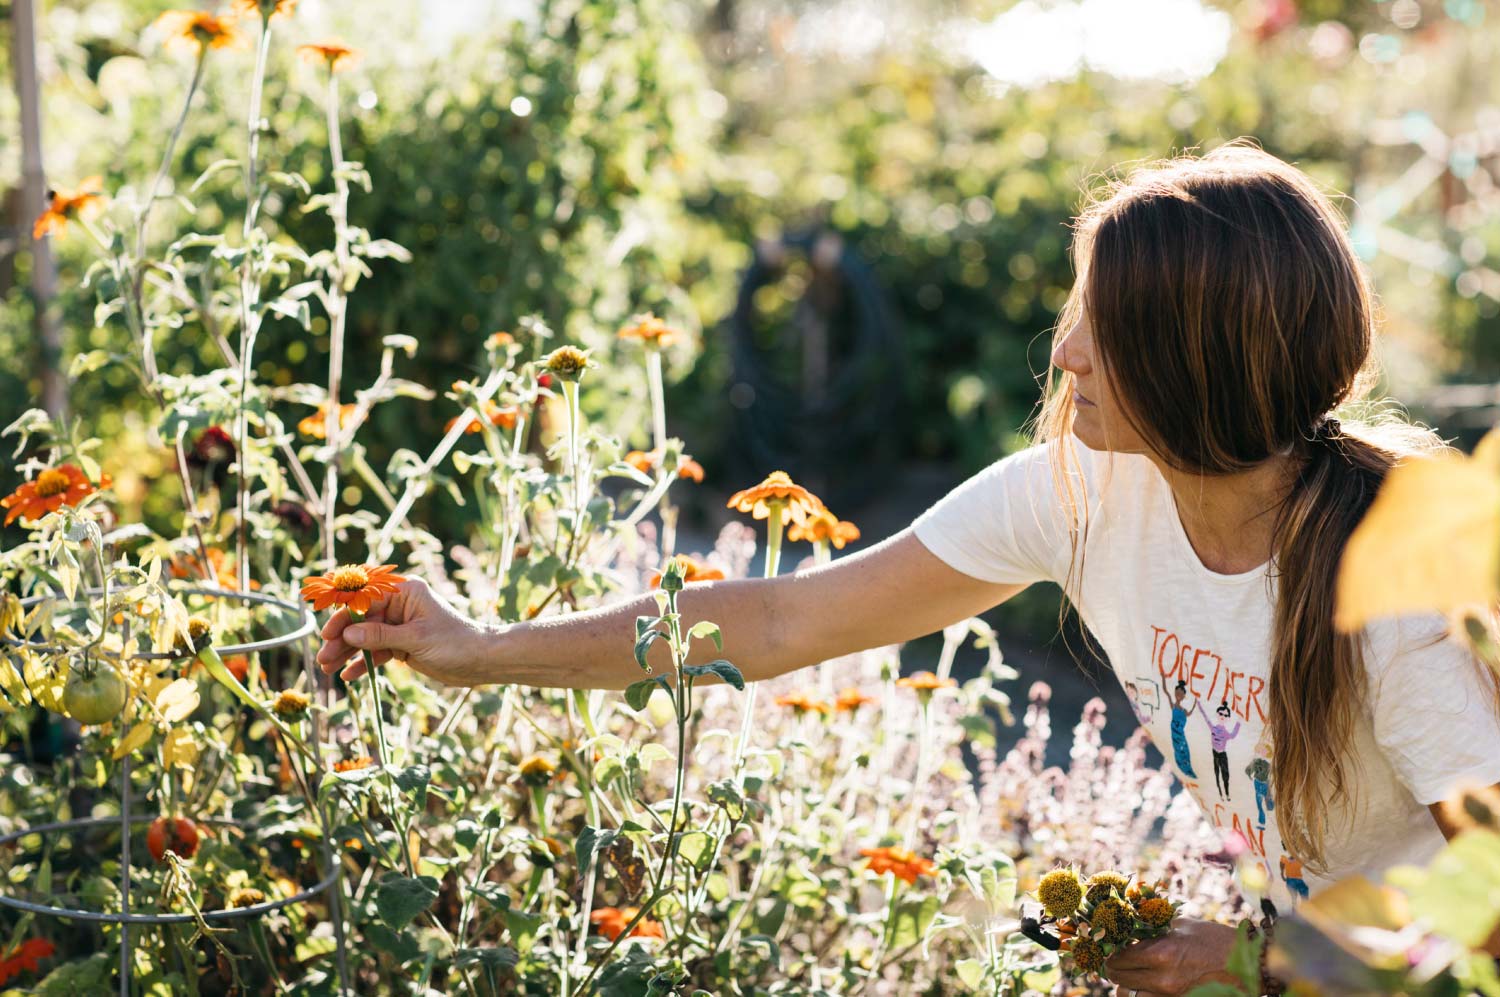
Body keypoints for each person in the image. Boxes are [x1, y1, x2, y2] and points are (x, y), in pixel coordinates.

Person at [317, 142, 1500, 996]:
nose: (1068, 350)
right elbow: (779, 619)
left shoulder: (1395, 586)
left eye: (1108, 325)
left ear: (1200, 362)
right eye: (1076, 309)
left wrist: (1250, 958)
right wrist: (473, 651)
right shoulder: (1080, 496)